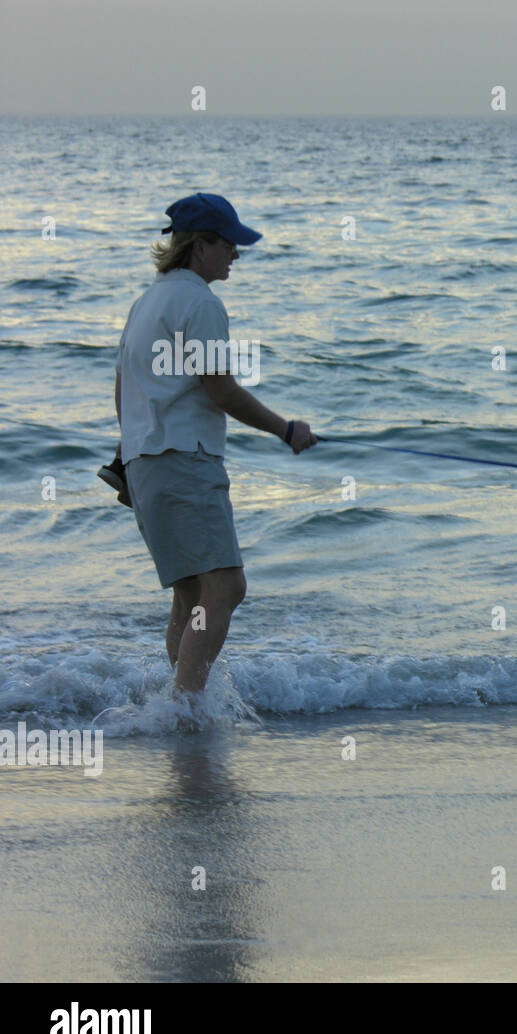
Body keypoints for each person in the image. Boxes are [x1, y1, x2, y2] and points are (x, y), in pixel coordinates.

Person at [103, 193, 317, 705]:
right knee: (225, 588)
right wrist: (286, 430)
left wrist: (132, 455)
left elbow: (121, 389)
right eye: (229, 245)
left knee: (191, 595)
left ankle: (179, 711)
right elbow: (221, 390)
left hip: (147, 463)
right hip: (184, 461)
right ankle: (186, 709)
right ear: (200, 247)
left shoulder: (147, 301)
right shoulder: (201, 303)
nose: (236, 257)